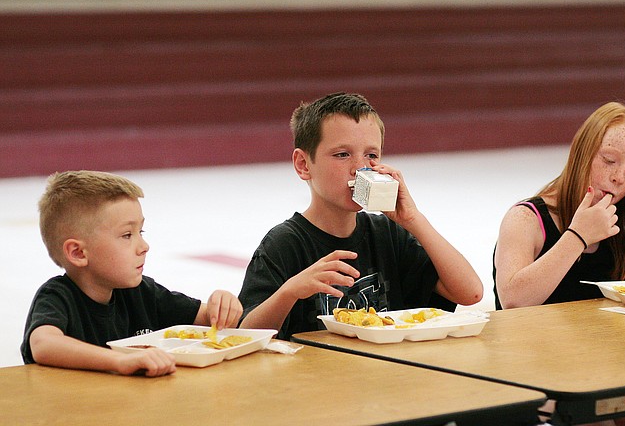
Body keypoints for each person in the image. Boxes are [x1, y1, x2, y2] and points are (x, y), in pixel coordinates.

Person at [493, 102, 625, 426]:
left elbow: (601, 305)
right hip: (535, 373)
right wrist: (576, 235)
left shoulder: (615, 222)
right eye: (608, 161)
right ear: (582, 153)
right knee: (596, 415)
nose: (618, 178)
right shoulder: (526, 218)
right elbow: (514, 299)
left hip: (602, 368)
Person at [238, 92, 483, 340]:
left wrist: (413, 220)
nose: (360, 168)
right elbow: (247, 335)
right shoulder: (284, 244)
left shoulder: (387, 234)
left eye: (371, 155)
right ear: (303, 164)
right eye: (342, 154)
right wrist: (289, 292)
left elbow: (470, 293)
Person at [22, 170, 242, 377]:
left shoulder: (141, 292)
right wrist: (120, 361)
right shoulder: (57, 296)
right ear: (78, 252)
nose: (144, 246)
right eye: (127, 235)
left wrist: (221, 306)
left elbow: (207, 319)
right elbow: (44, 345)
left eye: (141, 231)